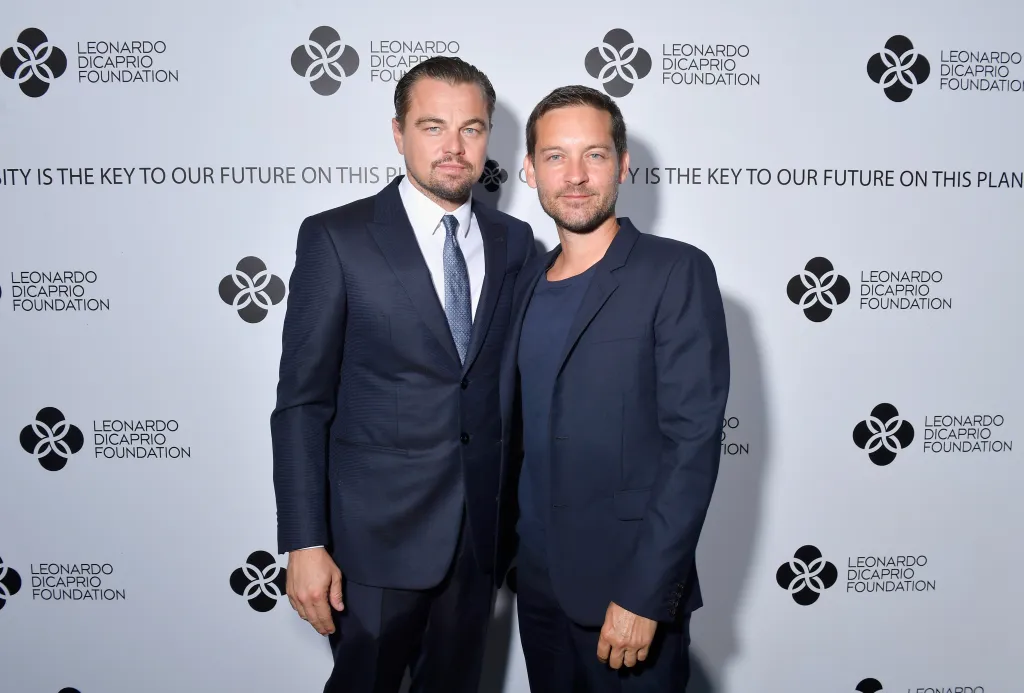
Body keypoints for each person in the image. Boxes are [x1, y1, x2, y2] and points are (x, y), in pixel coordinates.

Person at [270, 56, 535, 693]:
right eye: (433, 126)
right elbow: (302, 403)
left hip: (477, 544)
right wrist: (304, 542)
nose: (453, 147)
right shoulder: (337, 238)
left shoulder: (516, 241)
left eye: (471, 129)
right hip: (370, 545)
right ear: (398, 132)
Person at [499, 85, 730, 691]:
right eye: (555, 156)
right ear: (529, 170)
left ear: (624, 165)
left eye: (594, 155)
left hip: (626, 597)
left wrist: (645, 595)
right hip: (538, 590)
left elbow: (692, 445)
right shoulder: (520, 281)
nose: (574, 176)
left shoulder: (675, 272)